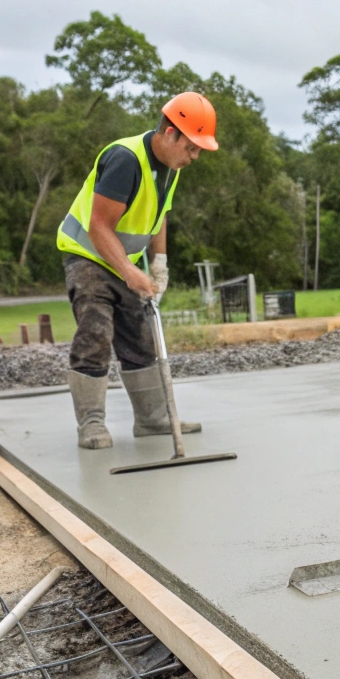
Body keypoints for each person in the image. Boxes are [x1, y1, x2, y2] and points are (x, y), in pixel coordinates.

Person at [57, 92, 217, 449]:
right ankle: (92, 424)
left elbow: (158, 218)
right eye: (192, 148)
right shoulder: (125, 159)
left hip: (123, 260)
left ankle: (152, 419)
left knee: (140, 336)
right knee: (95, 332)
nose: (195, 157)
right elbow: (99, 226)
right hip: (88, 257)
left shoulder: (170, 168)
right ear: (171, 132)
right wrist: (131, 273)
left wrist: (159, 263)